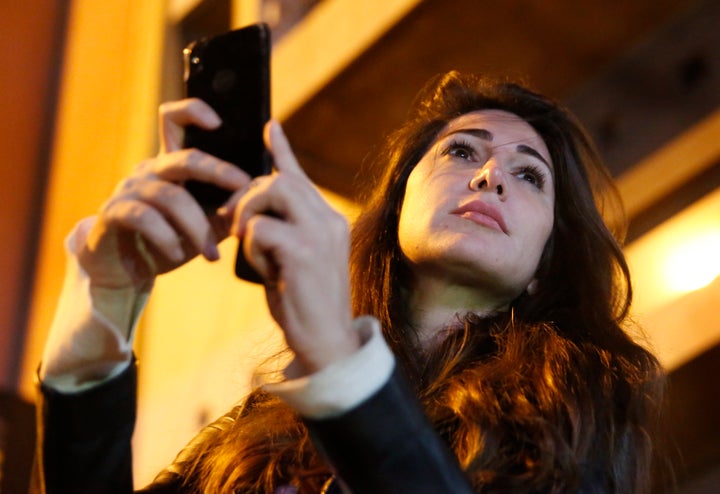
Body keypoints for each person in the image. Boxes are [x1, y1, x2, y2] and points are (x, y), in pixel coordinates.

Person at [32, 71, 666, 493]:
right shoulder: (264, 423)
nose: (490, 176)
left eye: (530, 176)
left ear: (545, 266)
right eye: (462, 152)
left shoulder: (580, 413)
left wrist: (337, 354)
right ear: (395, 210)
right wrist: (103, 303)